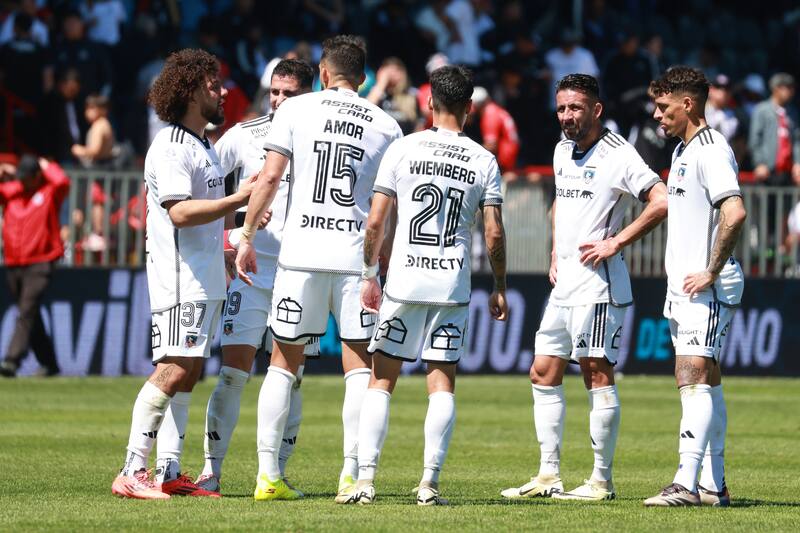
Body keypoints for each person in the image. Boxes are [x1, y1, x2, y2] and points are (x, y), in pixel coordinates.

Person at [235, 35, 403, 502]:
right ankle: (350, 476)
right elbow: (386, 207)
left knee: (283, 363)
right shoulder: (387, 125)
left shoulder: (295, 110)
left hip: (301, 254)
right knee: (359, 368)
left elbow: (270, 177)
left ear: (324, 74)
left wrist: (246, 236)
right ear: (364, 78)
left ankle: (267, 477)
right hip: (354, 260)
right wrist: (381, 258)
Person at [344, 65, 508, 506]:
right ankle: (429, 484)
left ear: (428, 103)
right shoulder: (483, 159)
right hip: (451, 284)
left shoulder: (403, 148)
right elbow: (493, 233)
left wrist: (368, 275)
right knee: (442, 384)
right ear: (470, 108)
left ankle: (365, 481)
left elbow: (375, 220)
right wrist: (499, 285)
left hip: (404, 281)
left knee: (381, 382)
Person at [501, 74, 667, 502]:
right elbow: (561, 202)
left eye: (575, 107)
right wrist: (557, 250)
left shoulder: (618, 154)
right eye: (561, 108)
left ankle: (600, 480)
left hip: (600, 284)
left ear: (597, 109)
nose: (567, 116)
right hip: (566, 282)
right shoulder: (560, 149)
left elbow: (661, 199)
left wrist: (616, 242)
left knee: (596, 373)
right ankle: (548, 475)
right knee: (542, 371)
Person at [111, 48, 264, 500]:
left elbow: (203, 218)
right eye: (214, 85)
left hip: (202, 273)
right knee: (175, 367)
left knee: (191, 369)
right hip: (179, 278)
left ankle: (168, 471)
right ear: (192, 91)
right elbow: (178, 212)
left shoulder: (202, 146)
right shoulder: (172, 144)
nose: (222, 92)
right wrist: (240, 199)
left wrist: (225, 245)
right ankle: (131, 469)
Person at [194, 58, 316, 495]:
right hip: (251, 273)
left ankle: (275, 475)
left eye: (290, 94)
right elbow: (199, 192)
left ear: (311, 93)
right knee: (232, 373)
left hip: (302, 271)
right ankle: (211, 473)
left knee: (291, 376)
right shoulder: (243, 136)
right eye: (275, 92)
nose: (280, 100)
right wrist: (232, 233)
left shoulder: (322, 139)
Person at [644, 66, 746, 507]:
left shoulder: (710, 149)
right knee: (707, 380)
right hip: (687, 286)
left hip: (707, 287)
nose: (656, 116)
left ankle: (686, 483)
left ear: (688, 104)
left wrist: (710, 268)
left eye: (663, 107)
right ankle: (712, 485)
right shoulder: (684, 150)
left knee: (693, 376)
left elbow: (735, 211)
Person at [0, 156, 68, 378]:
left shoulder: (50, 192)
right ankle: (50, 363)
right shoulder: (13, 191)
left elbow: (62, 182)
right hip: (14, 263)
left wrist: (45, 163)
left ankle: (11, 360)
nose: (23, 183)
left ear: (37, 176)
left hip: (41, 262)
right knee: (31, 315)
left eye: (27, 178)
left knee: (26, 310)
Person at [749, 72, 800, 186]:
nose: (790, 91)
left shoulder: (793, 112)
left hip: (788, 172)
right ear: (776, 89)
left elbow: (797, 140)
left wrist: (798, 163)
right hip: (767, 171)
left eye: (792, 88)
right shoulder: (762, 110)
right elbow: (755, 139)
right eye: (786, 87)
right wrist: (759, 163)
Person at [469, 86, 520, 177]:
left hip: (504, 161)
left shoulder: (490, 114)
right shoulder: (495, 109)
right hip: (511, 156)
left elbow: (491, 146)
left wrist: (467, 151)